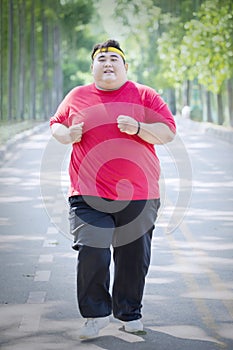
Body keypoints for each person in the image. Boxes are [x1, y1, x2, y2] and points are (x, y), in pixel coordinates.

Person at [50, 39, 176, 340]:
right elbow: (55, 124)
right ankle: (95, 314)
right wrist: (67, 134)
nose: (108, 64)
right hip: (87, 192)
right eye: (102, 59)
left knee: (133, 257)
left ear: (125, 66)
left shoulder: (144, 95)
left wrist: (139, 128)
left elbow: (168, 132)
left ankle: (128, 312)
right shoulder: (77, 96)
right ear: (92, 66)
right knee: (92, 251)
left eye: (114, 59)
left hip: (140, 194)